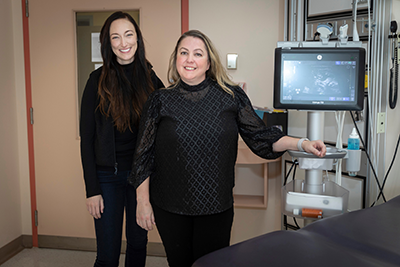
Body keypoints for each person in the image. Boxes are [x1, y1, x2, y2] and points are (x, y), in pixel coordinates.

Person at [129, 30, 326, 267]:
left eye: (197, 54)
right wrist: (142, 201)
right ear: (176, 59)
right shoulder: (159, 100)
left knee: (212, 263)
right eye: (184, 53)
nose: (189, 59)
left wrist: (301, 143)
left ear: (209, 62)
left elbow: (262, 138)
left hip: (216, 206)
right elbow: (143, 155)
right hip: (170, 206)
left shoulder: (231, 96)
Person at [80, 11, 164, 267]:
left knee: (138, 245)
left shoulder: (151, 79)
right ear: (108, 43)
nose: (123, 42)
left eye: (128, 34)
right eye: (115, 37)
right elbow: (87, 139)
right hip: (107, 177)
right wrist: (92, 190)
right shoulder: (96, 81)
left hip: (142, 179)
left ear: (137, 38)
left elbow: (169, 122)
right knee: (108, 252)